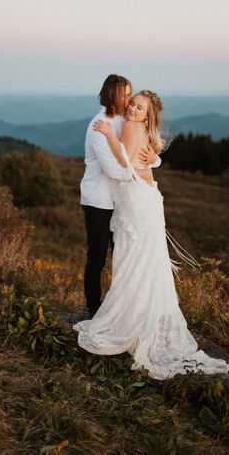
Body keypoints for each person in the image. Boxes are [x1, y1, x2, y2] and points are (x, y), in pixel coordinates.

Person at [74, 89, 229, 380]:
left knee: (135, 256)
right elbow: (139, 158)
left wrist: (111, 137)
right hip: (143, 197)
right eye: (132, 103)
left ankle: (132, 318)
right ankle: (141, 314)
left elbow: (124, 163)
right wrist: (150, 157)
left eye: (138, 107)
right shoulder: (136, 126)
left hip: (136, 198)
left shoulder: (130, 126)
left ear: (148, 114)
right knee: (142, 257)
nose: (133, 109)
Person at [80, 74, 161, 318]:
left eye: (131, 94)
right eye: (126, 95)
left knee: (125, 256)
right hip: (99, 201)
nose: (130, 100)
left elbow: (144, 148)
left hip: (123, 202)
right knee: (97, 257)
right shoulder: (99, 126)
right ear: (114, 96)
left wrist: (154, 160)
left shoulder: (127, 118)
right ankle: (93, 309)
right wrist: (145, 173)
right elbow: (116, 170)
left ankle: (121, 310)